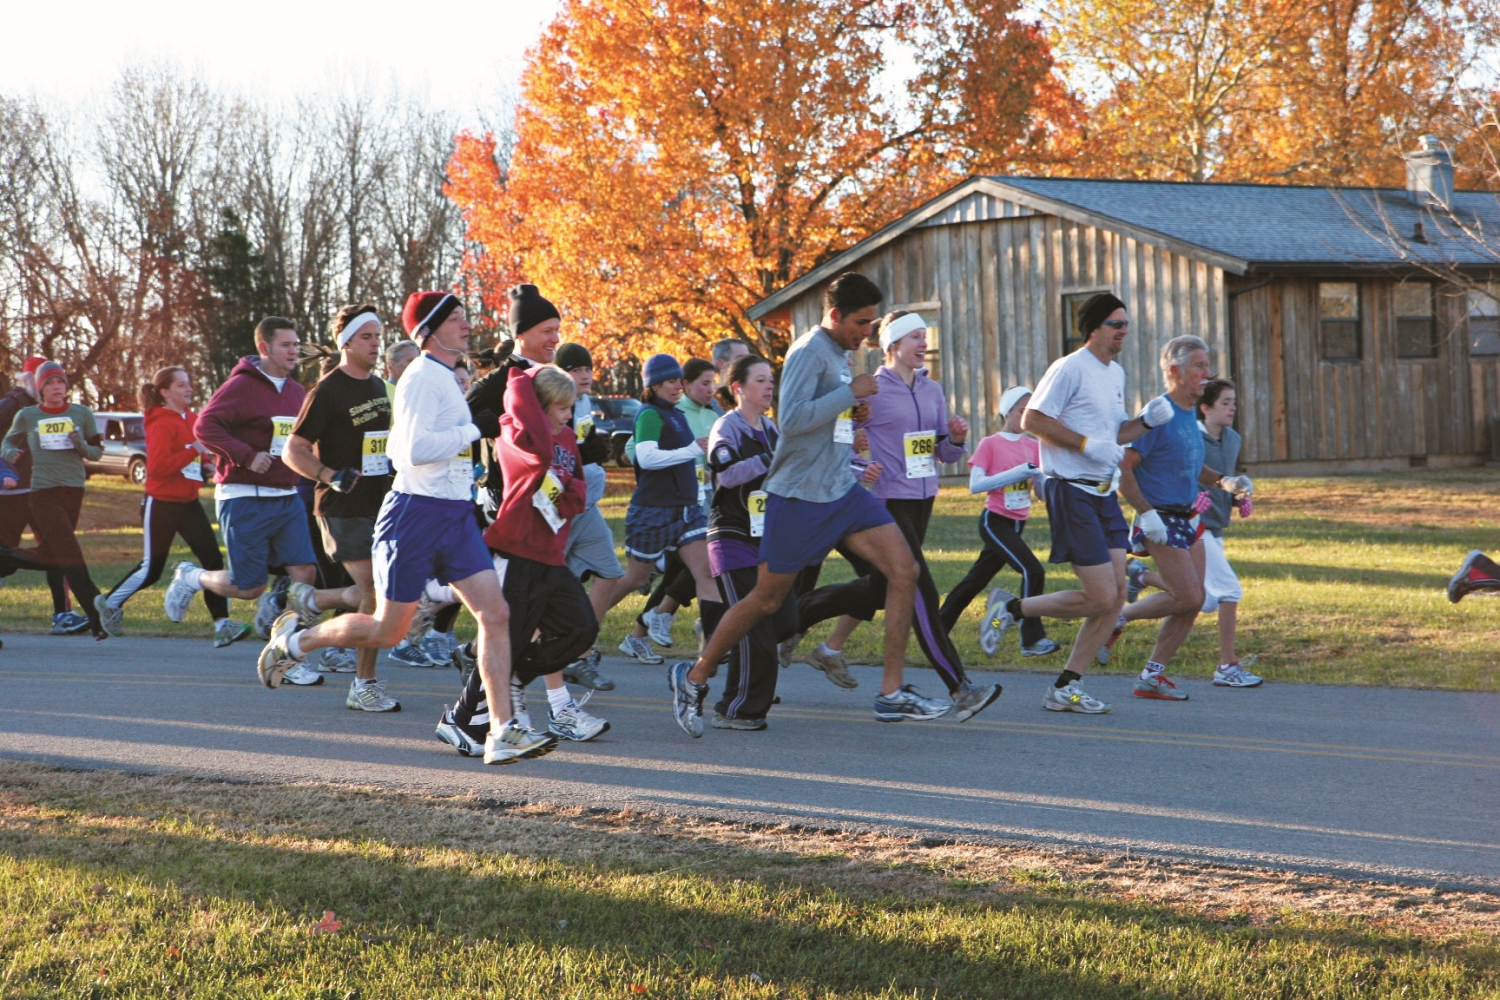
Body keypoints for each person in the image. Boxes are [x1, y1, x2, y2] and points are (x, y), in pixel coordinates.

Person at [668, 272, 995, 735]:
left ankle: (891, 692)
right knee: (766, 598)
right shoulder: (808, 350)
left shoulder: (842, 353)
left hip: (841, 491)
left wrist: (849, 411)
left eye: (873, 323)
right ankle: (694, 676)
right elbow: (794, 417)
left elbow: (826, 414)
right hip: (798, 495)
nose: (868, 332)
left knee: (905, 571)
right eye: (862, 323)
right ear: (835, 315)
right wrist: (850, 394)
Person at [256, 290, 556, 765]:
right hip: (414, 514)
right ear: (430, 331)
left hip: (454, 514)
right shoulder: (421, 377)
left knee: (495, 615)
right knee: (386, 630)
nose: (465, 323)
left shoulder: (445, 377)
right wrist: (475, 429)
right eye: (455, 318)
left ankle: (501, 730)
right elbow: (409, 452)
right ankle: (296, 642)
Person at [789, 311, 999, 721]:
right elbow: (840, 440)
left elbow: (943, 452)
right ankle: (959, 687)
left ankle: (792, 619)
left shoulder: (932, 390)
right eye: (916, 337)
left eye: (926, 336)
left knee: (879, 588)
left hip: (923, 499)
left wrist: (956, 438)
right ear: (893, 345)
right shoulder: (870, 389)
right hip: (883, 502)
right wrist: (857, 467)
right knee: (920, 588)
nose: (924, 343)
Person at [985, 292, 1161, 714]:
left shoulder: (1114, 373)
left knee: (1116, 597)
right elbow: (1033, 420)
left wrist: (1146, 422)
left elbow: (1113, 436)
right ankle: (1011, 608)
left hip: (1104, 493)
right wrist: (1086, 445)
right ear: (1094, 328)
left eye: (1126, 324)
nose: (1124, 331)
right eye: (1116, 324)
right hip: (1072, 491)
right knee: (1101, 597)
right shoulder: (1069, 368)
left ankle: (1066, 686)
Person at [444, 363, 609, 744]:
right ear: (538, 407)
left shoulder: (565, 436)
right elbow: (534, 463)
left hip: (552, 552)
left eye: (572, 407)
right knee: (510, 639)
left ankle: (515, 680)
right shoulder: (515, 432)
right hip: (517, 550)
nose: (569, 416)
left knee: (581, 628)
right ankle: (461, 719)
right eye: (562, 407)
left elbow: (578, 490)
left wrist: (569, 489)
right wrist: (525, 389)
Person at [164, 318, 332, 686]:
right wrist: (244, 455)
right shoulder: (240, 387)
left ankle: (286, 654)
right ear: (264, 348)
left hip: (286, 496)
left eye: (296, 344)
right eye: (286, 345)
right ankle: (192, 576)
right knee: (250, 586)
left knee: (304, 573)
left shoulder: (296, 391)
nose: (293, 351)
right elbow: (205, 427)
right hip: (244, 497)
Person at [1102, 335, 1249, 700]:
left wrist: (1224, 482)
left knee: (1195, 599)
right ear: (1175, 372)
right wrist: (1146, 513)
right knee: (1187, 594)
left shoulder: (1188, 415)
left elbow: (1189, 464)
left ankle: (1152, 675)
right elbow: (1125, 468)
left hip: (1190, 518)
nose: (1207, 372)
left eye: (1207, 364)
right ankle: (1116, 617)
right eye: (1199, 366)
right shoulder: (1160, 414)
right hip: (1161, 519)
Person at [280, 304, 401, 712]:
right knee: (375, 596)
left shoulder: (378, 386)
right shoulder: (327, 391)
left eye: (378, 336)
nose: (375, 343)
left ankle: (311, 601)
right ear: (345, 341)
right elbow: (292, 450)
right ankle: (362, 684)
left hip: (382, 503)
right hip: (342, 507)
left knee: (377, 594)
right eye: (366, 336)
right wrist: (329, 474)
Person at [95, 366, 249, 645]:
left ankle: (222, 625)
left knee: (213, 561)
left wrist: (207, 464)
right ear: (164, 392)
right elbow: (158, 467)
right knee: (152, 569)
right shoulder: (159, 422)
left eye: (189, 384)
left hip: (188, 502)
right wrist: (194, 450)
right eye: (181, 385)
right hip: (162, 503)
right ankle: (109, 603)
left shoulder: (193, 418)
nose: (189, 389)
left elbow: (197, 455)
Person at [604, 354, 721, 674]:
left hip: (687, 510)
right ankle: (581, 628)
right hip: (652, 512)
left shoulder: (675, 415)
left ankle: (712, 649)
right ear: (653, 385)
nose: (677, 387)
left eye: (679, 381)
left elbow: (685, 460)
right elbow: (646, 457)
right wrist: (694, 450)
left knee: (707, 572)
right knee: (635, 578)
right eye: (671, 381)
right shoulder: (650, 414)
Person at [702, 353, 797, 729]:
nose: (770, 386)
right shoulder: (727, 428)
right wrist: (769, 460)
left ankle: (732, 692)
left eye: (771, 380)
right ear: (738, 388)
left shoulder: (773, 429)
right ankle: (737, 708)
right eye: (760, 380)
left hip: (766, 540)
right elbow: (726, 475)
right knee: (755, 627)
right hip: (731, 537)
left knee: (786, 619)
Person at [939, 385, 1059, 658]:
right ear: (1008, 411)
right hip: (995, 523)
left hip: (1019, 523)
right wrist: (1016, 473)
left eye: (1031, 412)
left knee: (975, 581)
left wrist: (1040, 478)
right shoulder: (990, 444)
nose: (1026, 417)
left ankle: (937, 628)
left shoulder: (1034, 447)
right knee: (1033, 571)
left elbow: (1040, 496)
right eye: (1021, 411)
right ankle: (1031, 639)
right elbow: (975, 485)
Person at [0, 360, 108, 639]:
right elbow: (7, 443)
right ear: (33, 383)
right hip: (23, 493)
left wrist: (80, 444)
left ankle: (64, 615)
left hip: (60, 490)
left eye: (59, 381)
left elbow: (95, 452)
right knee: (57, 552)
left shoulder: (76, 413)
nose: (54, 386)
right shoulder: (19, 409)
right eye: (47, 382)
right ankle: (94, 611)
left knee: (55, 553)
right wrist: (7, 466)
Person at [1185, 377, 1261, 687]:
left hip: (1216, 523)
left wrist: (1240, 495)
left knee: (1203, 601)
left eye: (1234, 403)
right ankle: (1227, 667)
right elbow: (1179, 475)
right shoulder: (1190, 437)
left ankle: (1128, 603)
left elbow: (1226, 479)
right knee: (1230, 590)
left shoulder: (1233, 439)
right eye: (1225, 403)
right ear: (1205, 408)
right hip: (1191, 523)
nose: (1232, 409)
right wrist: (1191, 498)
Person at [554, 342, 618, 692]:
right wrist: (581, 451)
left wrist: (594, 446)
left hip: (587, 506)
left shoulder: (585, 403)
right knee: (535, 591)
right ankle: (478, 652)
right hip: (561, 509)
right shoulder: (550, 400)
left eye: (587, 369)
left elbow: (580, 444)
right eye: (576, 369)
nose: (585, 375)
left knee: (609, 572)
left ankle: (580, 650)